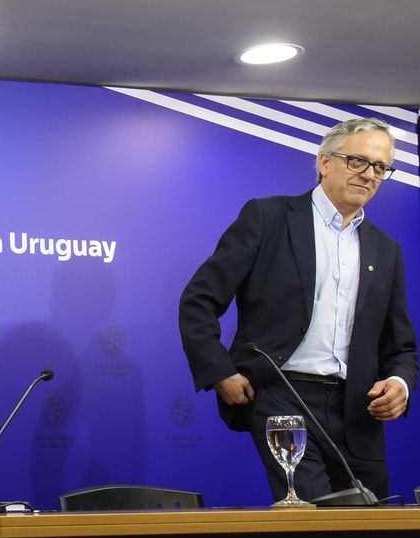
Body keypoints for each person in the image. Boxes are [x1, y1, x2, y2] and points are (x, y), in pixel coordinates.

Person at [179, 117, 417, 502]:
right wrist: (220, 371)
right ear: (325, 162)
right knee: (315, 521)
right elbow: (199, 301)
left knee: (371, 531)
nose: (369, 175)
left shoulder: (385, 249)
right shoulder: (268, 218)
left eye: (379, 167)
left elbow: (401, 346)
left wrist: (400, 383)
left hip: (360, 409)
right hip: (283, 395)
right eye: (358, 161)